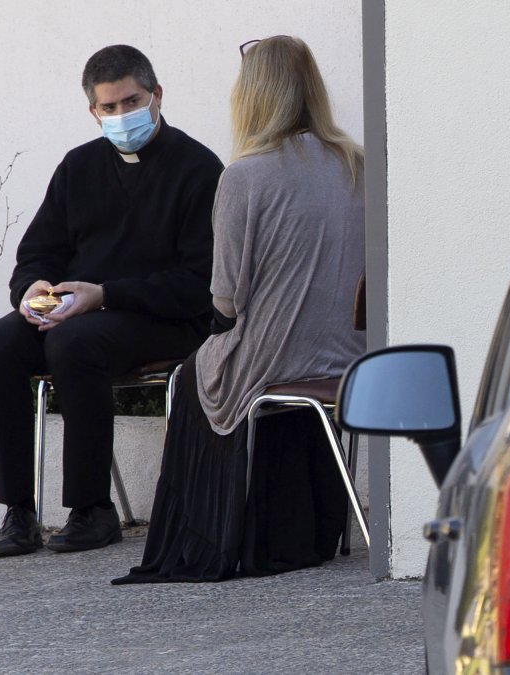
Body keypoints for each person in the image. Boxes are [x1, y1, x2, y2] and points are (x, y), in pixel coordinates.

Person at [114, 36, 365, 584]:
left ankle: (211, 537)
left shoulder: (245, 176)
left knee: (194, 374)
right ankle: (309, 530)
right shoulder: (356, 164)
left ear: (251, 95)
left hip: (276, 359)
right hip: (352, 357)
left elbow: (226, 300)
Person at [0, 45, 224, 558]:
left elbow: (199, 281)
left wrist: (105, 295)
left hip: (164, 318)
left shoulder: (198, 168)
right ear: (92, 110)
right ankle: (19, 511)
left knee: (74, 344)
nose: (120, 116)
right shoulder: (78, 167)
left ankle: (93, 510)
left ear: (156, 96)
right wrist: (32, 290)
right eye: (108, 108)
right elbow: (39, 252)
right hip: (77, 311)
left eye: (130, 102)